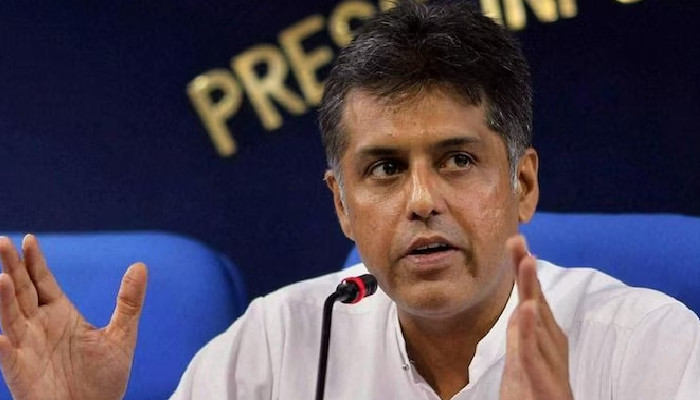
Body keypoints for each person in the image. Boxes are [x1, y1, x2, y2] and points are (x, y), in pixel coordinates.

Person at [1, 1, 699, 399]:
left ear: (523, 184)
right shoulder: (273, 348)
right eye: (385, 169)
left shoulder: (646, 346)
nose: (421, 200)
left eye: (458, 160)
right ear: (341, 204)